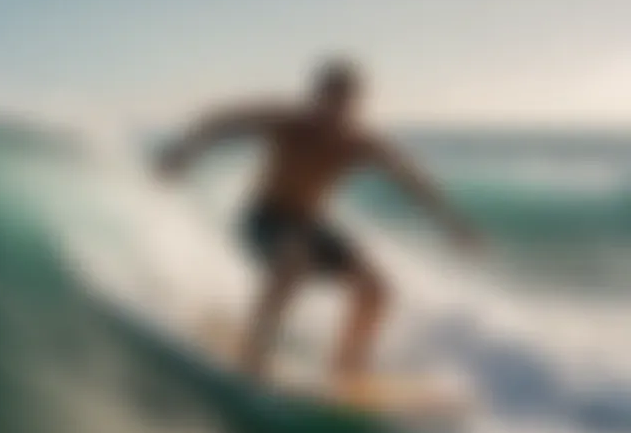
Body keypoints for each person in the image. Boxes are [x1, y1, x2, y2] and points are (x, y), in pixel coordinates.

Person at [156, 58, 481, 383]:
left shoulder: (358, 143)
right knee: (293, 262)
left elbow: (412, 180)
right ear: (316, 97)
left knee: (378, 291)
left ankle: (347, 366)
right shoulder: (288, 122)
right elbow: (221, 121)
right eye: (329, 99)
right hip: (265, 217)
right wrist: (184, 152)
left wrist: (453, 224)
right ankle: (253, 352)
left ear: (356, 104)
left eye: (345, 102)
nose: (335, 110)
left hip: (309, 224)